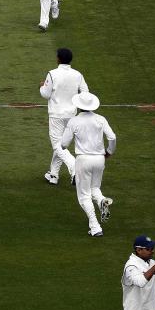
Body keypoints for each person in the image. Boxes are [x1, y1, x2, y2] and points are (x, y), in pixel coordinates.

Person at [59, 92, 115, 237]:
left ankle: (95, 226)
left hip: (83, 159)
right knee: (95, 188)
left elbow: (64, 144)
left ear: (78, 105)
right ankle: (102, 201)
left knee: (84, 196)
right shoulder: (101, 119)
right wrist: (109, 151)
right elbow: (112, 137)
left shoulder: (74, 121)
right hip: (99, 159)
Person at [39, 48, 87, 186]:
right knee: (62, 144)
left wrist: (41, 86)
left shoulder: (52, 74)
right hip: (72, 115)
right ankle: (54, 175)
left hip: (56, 115)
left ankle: (75, 168)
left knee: (57, 146)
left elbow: (46, 94)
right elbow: (85, 92)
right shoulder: (78, 75)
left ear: (58, 59)